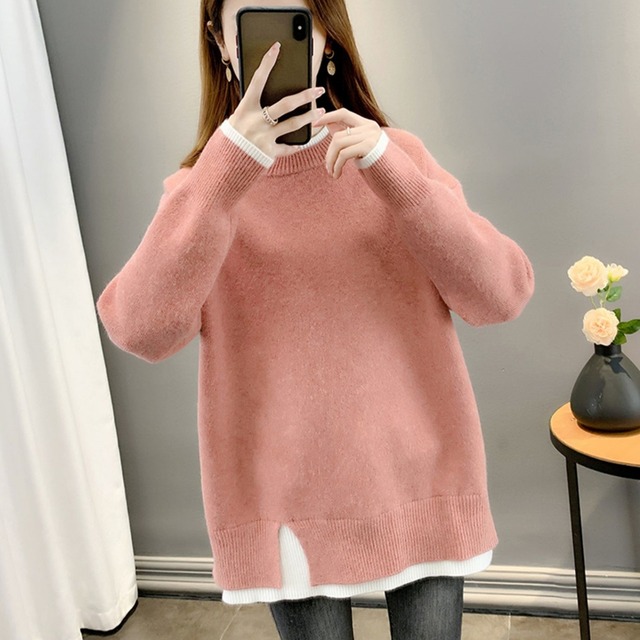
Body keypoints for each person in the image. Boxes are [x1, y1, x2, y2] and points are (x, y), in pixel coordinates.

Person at [96, 0, 535, 638]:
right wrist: (224, 173)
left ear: (328, 40)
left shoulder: (395, 159)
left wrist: (394, 174)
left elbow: (501, 295)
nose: (276, 46)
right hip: (286, 506)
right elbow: (140, 329)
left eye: (296, 21)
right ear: (221, 42)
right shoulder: (205, 193)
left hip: (423, 481)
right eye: (253, 21)